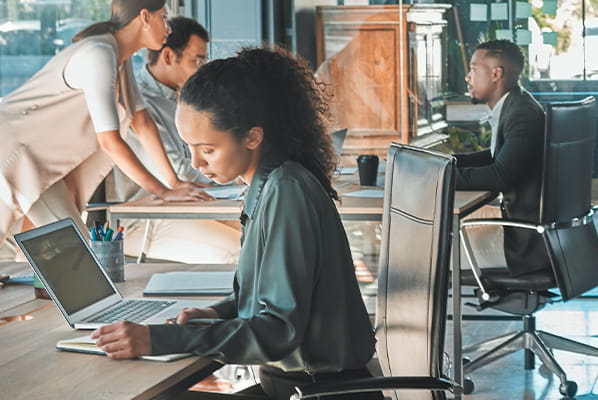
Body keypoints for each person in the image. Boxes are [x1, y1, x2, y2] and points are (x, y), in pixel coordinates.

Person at [88, 47, 380, 399]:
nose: (196, 163)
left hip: (317, 393)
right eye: (190, 148)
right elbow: (270, 299)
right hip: (295, 388)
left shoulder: (286, 191)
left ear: (253, 137)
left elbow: (277, 330)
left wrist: (158, 339)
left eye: (208, 149)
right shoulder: (272, 182)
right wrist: (215, 312)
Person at [0, 0, 209, 260]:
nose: (168, 28)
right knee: (73, 254)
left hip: (38, 162)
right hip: (14, 155)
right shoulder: (98, 54)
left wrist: (174, 182)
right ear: (144, 17)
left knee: (54, 253)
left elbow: (141, 122)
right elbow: (110, 141)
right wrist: (162, 191)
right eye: (163, 18)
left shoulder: (118, 58)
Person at [111, 17, 241, 264]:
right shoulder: (141, 106)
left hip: (191, 204)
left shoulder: (186, 98)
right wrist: (236, 172)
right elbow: (180, 174)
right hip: (149, 216)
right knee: (236, 252)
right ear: (168, 56)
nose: (202, 68)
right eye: (197, 60)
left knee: (265, 236)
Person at [453, 39, 548, 274]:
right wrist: (448, 162)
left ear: (496, 74)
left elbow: (499, 176)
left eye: (474, 69)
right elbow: (499, 156)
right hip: (523, 233)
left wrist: (436, 177)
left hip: (523, 244)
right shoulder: (517, 104)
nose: (468, 77)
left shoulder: (522, 115)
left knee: (432, 245)